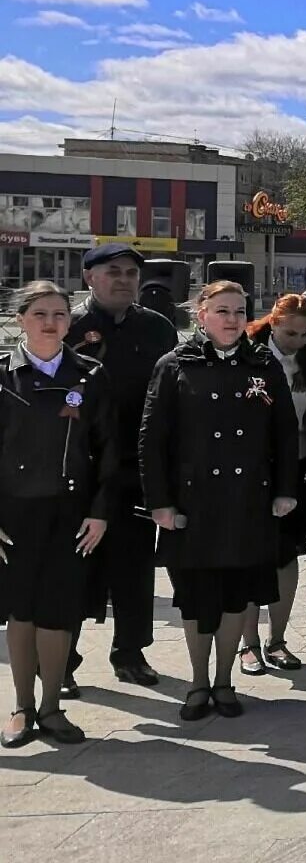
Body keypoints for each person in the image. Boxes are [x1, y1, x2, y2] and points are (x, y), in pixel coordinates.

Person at [141, 281, 300, 720]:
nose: (232, 319)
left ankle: (225, 679)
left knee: (237, 597)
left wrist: (286, 490)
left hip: (247, 501)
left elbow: (285, 433)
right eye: (222, 311)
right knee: (195, 597)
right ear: (201, 314)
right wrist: (160, 502)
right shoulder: (174, 365)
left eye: (239, 311)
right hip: (193, 506)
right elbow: (152, 439)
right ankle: (197, 682)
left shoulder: (263, 364)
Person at [1, 282, 115, 746]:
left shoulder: (90, 374)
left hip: (72, 513)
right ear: (21, 319)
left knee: (58, 611)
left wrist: (101, 510)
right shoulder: (4, 375)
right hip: (14, 514)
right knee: (20, 612)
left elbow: (109, 449)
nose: (51, 323)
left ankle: (52, 707)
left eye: (60, 315)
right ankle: (21, 707)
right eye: (40, 314)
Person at [64, 243, 177, 694]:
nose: (125, 279)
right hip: (80, 467)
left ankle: (130, 652)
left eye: (132, 272)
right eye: (114, 272)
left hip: (136, 465)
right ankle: (63, 660)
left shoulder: (157, 328)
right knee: (73, 566)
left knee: (133, 565)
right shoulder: (68, 326)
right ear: (90, 277)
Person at [237, 294, 306, 676]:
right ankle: (248, 644)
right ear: (272, 324)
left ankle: (278, 640)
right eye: (290, 332)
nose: (297, 341)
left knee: (286, 555)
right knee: (250, 556)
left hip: (298, 469)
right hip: (252, 471)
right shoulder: (248, 356)